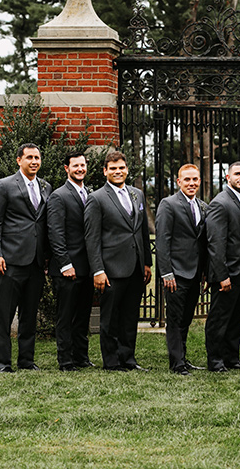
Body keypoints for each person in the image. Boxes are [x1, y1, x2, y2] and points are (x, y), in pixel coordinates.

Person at [84, 150, 152, 372]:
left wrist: (147, 263)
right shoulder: (96, 198)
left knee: (130, 316)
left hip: (135, 267)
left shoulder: (137, 194)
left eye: (121, 167)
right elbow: (92, 238)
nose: (117, 171)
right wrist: (98, 270)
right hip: (111, 269)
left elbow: (142, 232)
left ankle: (128, 358)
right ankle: (112, 361)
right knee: (111, 318)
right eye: (112, 168)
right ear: (105, 171)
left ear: (127, 169)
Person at [0, 143, 51, 373]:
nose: (34, 161)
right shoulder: (4, 186)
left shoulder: (45, 187)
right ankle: (3, 363)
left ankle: (26, 361)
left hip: (35, 263)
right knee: (4, 316)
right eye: (30, 157)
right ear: (18, 160)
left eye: (37, 157)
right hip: (10, 262)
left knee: (29, 316)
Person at [155, 164, 208, 375]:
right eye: (187, 180)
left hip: (195, 273)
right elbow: (162, 240)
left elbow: (202, 242)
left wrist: (204, 272)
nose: (191, 183)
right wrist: (166, 272)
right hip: (175, 274)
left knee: (186, 318)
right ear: (179, 182)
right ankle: (176, 363)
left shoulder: (203, 206)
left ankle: (183, 358)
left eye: (195, 179)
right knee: (175, 319)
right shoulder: (168, 204)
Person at [47, 152, 94, 371]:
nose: (80, 169)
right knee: (65, 317)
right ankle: (65, 361)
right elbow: (55, 233)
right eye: (75, 165)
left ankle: (81, 358)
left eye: (83, 165)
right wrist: (65, 264)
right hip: (67, 269)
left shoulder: (89, 194)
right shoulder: (59, 196)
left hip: (86, 267)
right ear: (67, 168)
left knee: (83, 317)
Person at [204, 162, 240, 372]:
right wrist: (222, 275)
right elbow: (215, 243)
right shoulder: (220, 203)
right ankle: (215, 360)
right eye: (237, 174)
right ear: (227, 177)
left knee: (237, 318)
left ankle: (231, 358)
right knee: (219, 318)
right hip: (227, 273)